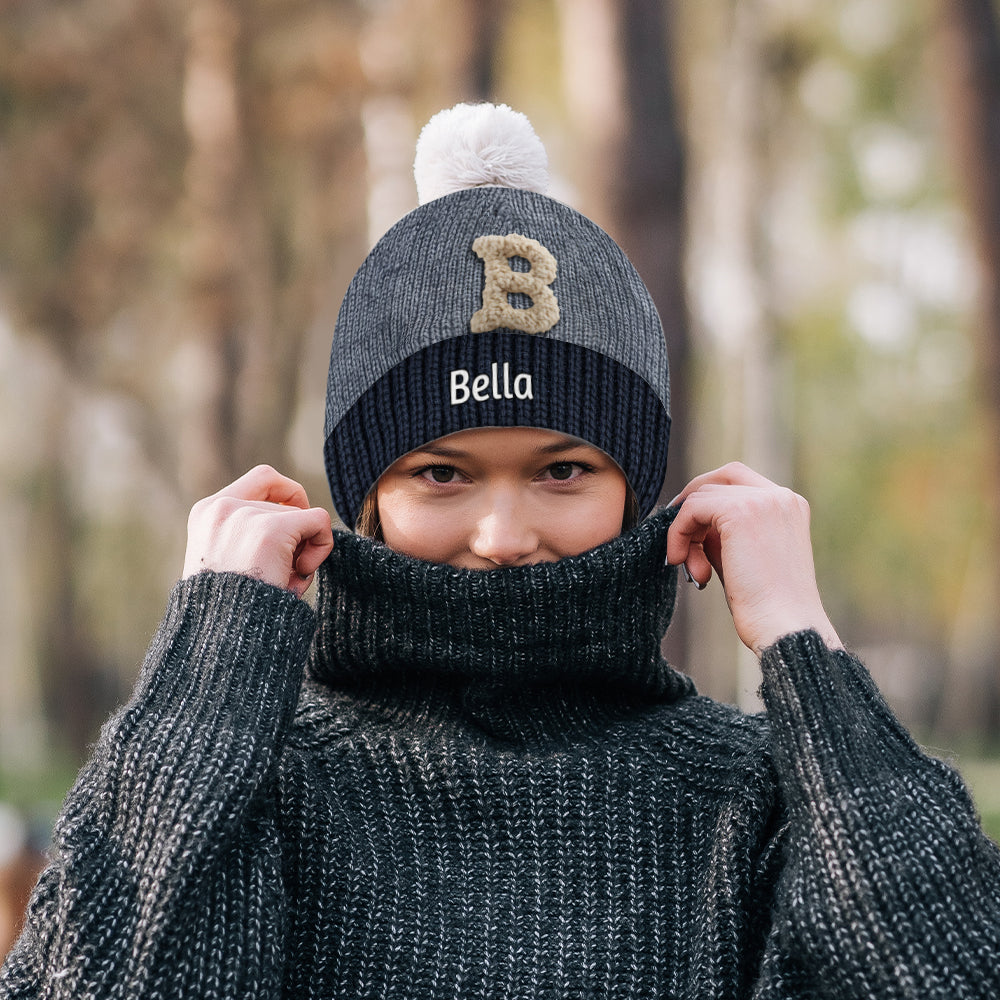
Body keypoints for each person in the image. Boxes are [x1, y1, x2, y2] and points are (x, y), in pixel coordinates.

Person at [2, 102, 998, 999]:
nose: (505, 533)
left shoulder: (752, 798)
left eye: (563, 470)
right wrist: (200, 690)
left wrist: (803, 646)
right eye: (441, 473)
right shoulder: (258, 785)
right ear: (367, 499)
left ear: (633, 489)